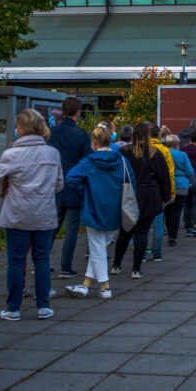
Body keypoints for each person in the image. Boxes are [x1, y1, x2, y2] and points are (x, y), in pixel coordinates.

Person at [0, 109, 64, 322]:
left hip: (17, 214)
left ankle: (13, 308)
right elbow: (59, 185)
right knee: (41, 259)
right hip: (44, 214)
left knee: (15, 260)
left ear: (20, 128)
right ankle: (43, 306)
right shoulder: (52, 153)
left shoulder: (10, 155)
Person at [64, 126, 135, 299]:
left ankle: (105, 286)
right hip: (117, 210)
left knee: (97, 249)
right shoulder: (122, 161)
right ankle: (86, 284)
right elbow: (131, 181)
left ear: (93, 142)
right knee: (99, 248)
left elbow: (71, 178)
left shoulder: (89, 161)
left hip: (93, 208)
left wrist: (84, 192)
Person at [114, 123, 171, 277]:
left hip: (128, 194)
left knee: (125, 231)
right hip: (149, 195)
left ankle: (116, 264)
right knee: (142, 232)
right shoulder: (155, 153)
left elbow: (116, 173)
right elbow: (164, 176)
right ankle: (136, 269)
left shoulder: (124, 151)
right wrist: (167, 197)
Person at [49, 97, 91, 280]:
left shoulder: (52, 133)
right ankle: (65, 267)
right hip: (74, 186)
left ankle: (40, 262)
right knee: (72, 227)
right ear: (77, 112)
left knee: (52, 226)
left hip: (54, 186)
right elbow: (88, 161)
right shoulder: (82, 135)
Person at [147, 124, 178, 252]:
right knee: (158, 222)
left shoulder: (141, 148)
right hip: (159, 190)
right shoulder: (164, 150)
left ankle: (142, 252)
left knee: (142, 224)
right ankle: (157, 252)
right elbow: (170, 173)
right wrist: (171, 193)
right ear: (159, 135)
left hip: (142, 190)